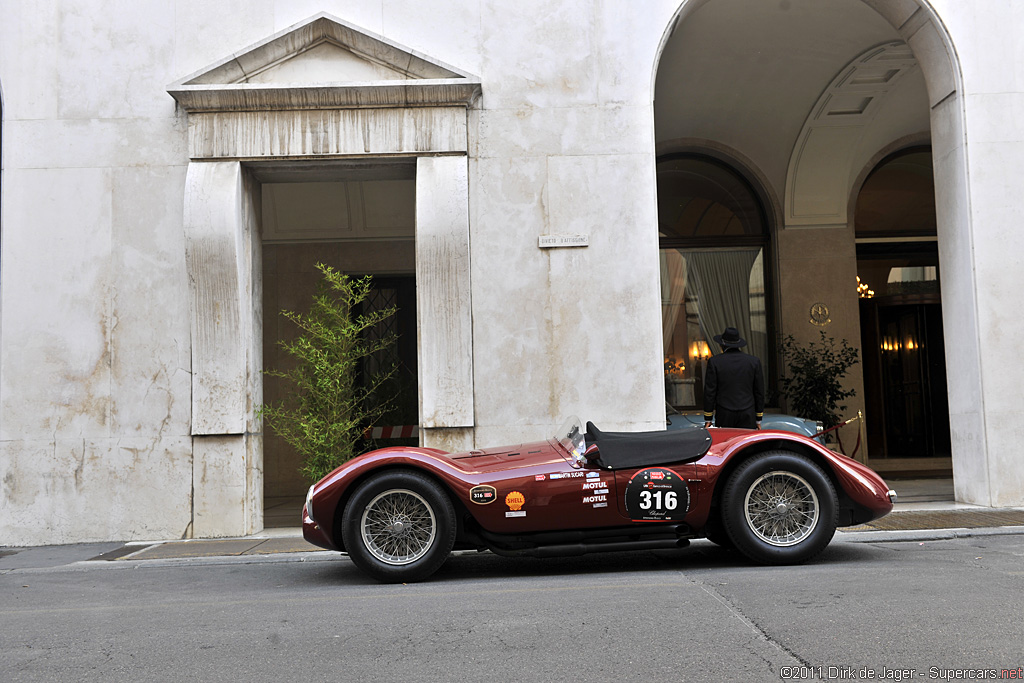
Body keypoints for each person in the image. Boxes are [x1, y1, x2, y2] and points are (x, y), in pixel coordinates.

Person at [702, 326, 765, 429]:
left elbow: (710, 392)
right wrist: (758, 418)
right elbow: (759, 392)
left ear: (722, 345)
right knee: (746, 443)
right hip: (747, 412)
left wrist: (708, 418)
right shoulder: (753, 362)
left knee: (727, 443)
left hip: (724, 412)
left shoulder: (715, 362)